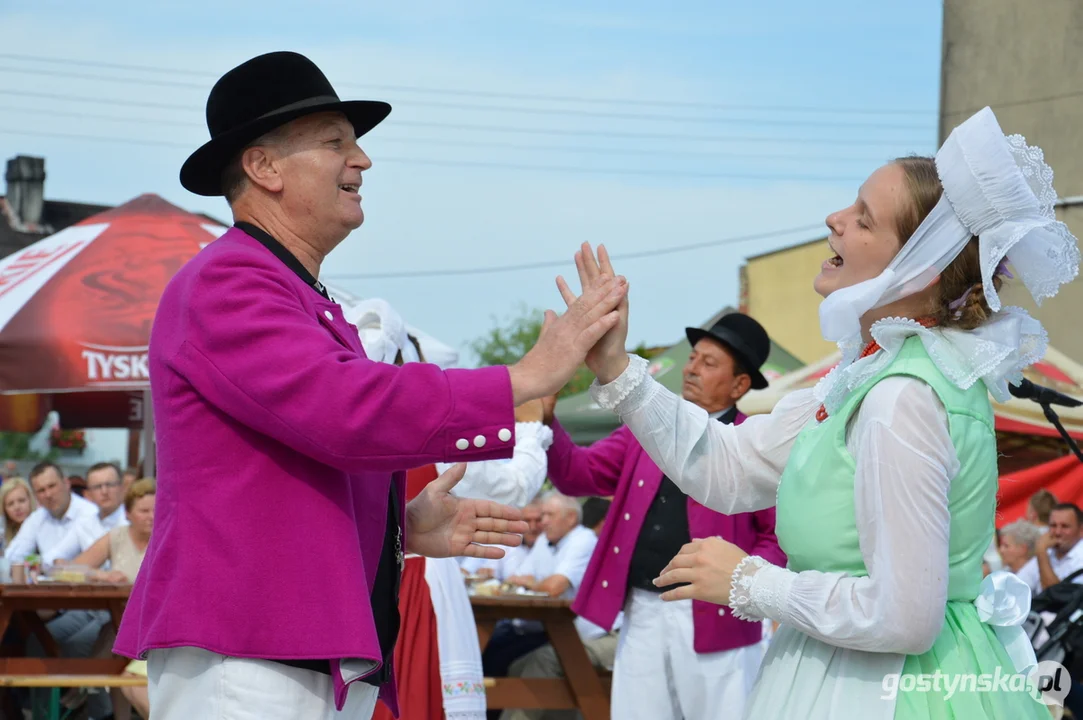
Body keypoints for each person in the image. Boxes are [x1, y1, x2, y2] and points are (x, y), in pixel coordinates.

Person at [112, 51, 625, 720]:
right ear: (263, 168)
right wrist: (523, 379)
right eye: (335, 142)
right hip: (251, 651)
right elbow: (344, 411)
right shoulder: (230, 281)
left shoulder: (289, 292)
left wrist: (400, 530)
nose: (362, 160)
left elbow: (304, 460)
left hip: (283, 646)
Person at [564, 106, 1080, 717]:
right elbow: (729, 466)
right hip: (848, 670)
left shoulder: (901, 397)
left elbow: (907, 617)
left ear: (917, 264)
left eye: (862, 219)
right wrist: (617, 368)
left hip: (883, 689)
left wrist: (751, 581)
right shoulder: (871, 375)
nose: (833, 220)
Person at [540, 312, 785, 719]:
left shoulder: (753, 442)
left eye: (709, 363)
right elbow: (577, 473)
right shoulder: (647, 431)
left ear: (740, 384)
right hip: (642, 608)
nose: (691, 368)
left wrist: (745, 586)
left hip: (717, 614)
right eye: (693, 358)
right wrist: (547, 422)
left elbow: (777, 537)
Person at [1017, 503, 1083, 594]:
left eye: (1065, 526)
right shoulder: (1049, 552)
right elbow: (1016, 586)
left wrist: (1041, 552)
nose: (1057, 532)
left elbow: (1057, 596)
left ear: (1081, 530)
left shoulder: (1080, 559)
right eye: (1053, 525)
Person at [0, 476, 35, 549]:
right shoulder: (3, 536)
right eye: (10, 504)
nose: (17, 507)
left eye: (21, 500)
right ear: (4, 509)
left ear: (30, 500)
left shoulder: (46, 527)